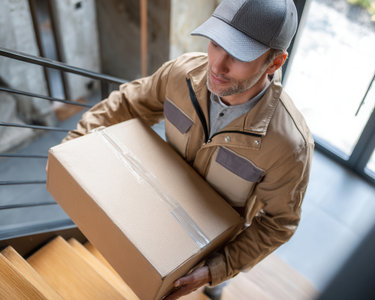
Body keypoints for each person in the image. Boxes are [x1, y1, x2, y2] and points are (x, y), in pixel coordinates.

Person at [59, 0, 314, 299]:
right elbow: (127, 104)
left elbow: (278, 223)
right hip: (165, 207)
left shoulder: (289, 146)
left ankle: (218, 286)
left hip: (218, 239)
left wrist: (218, 268)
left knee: (216, 278)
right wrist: (72, 147)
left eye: (238, 55)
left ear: (274, 62)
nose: (217, 66)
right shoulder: (182, 73)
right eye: (216, 43)